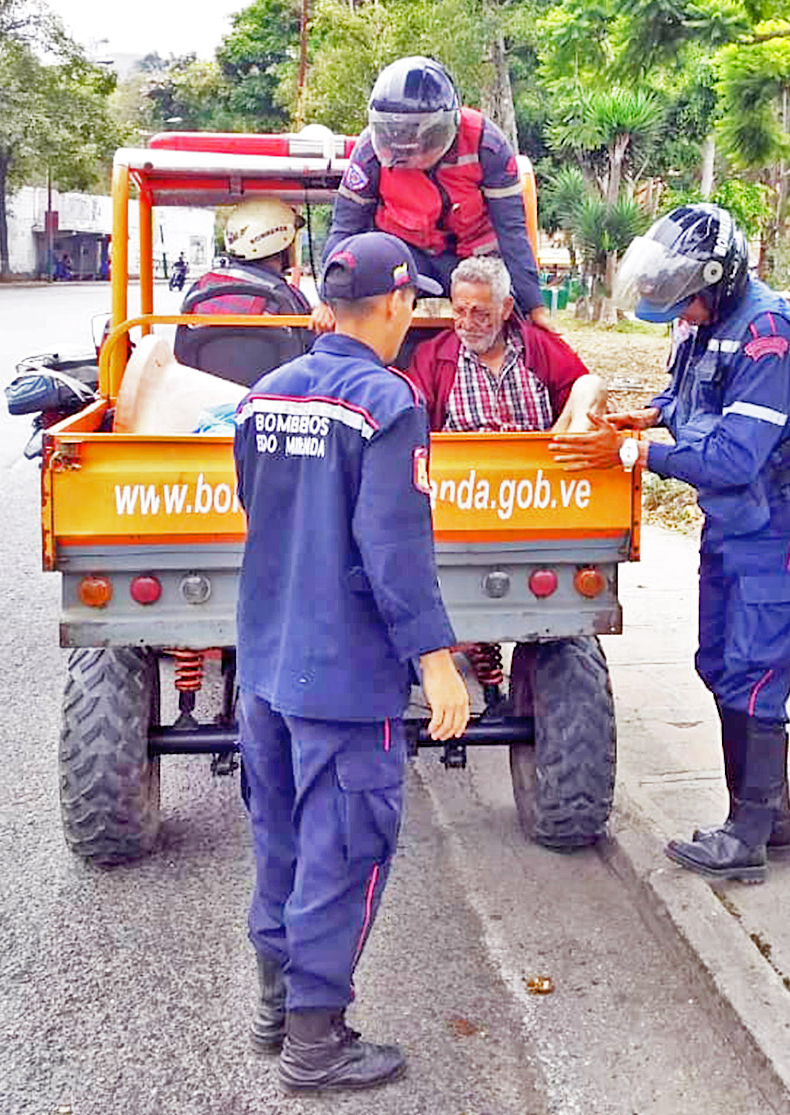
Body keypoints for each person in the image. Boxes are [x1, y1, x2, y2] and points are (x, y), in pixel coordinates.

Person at [233, 230, 471, 1092]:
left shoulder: (262, 396)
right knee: (342, 849)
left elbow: (254, 504)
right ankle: (316, 1042)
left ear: (328, 305)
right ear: (401, 304)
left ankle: (275, 1001)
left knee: (280, 839)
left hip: (263, 661)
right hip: (341, 674)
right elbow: (394, 549)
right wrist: (436, 664)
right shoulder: (388, 402)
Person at [548, 203, 790, 884]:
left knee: (758, 668)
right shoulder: (700, 324)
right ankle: (772, 819)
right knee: (719, 661)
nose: (679, 314)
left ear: (721, 281)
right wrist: (643, 414)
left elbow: (735, 456)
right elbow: (686, 398)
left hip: (780, 519)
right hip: (735, 519)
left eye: (686, 302)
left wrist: (625, 450)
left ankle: (745, 836)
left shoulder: (767, 333)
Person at [315, 56, 554, 334]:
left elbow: (512, 232)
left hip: (475, 259)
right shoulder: (369, 152)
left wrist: (534, 306)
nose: (412, 154)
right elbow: (346, 229)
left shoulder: (487, 144)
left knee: (504, 315)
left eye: (422, 140)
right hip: (407, 255)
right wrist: (327, 299)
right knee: (372, 289)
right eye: (400, 141)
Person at [408, 255, 605, 434]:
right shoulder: (432, 356)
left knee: (591, 385)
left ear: (506, 308)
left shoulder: (540, 347)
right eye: (459, 311)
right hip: (462, 468)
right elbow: (413, 420)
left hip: (540, 465)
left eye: (481, 314)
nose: (467, 324)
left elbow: (587, 406)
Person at [174, 197, 314, 385]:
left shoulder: (200, 289)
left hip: (202, 400)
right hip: (271, 404)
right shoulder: (286, 298)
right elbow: (309, 355)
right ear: (282, 240)